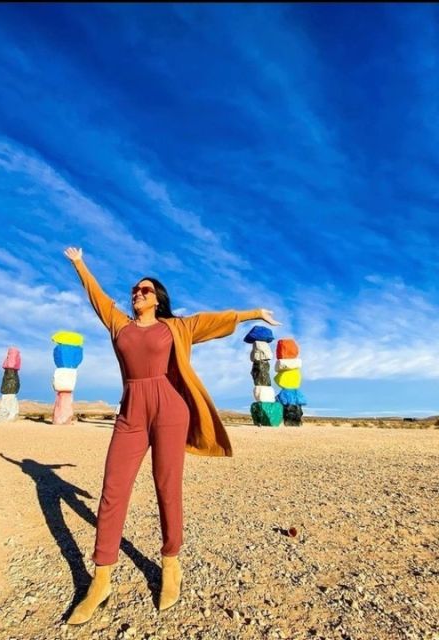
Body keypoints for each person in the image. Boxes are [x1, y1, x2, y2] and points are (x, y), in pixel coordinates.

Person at [64, 247, 280, 624]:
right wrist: (80, 264)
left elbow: (216, 319)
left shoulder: (177, 327)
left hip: (170, 408)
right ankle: (101, 579)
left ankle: (170, 564)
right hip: (131, 409)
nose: (138, 293)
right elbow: (98, 296)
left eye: (145, 290)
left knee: (167, 486)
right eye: (135, 289)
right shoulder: (120, 324)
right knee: (113, 489)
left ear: (158, 299)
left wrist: (254, 313)